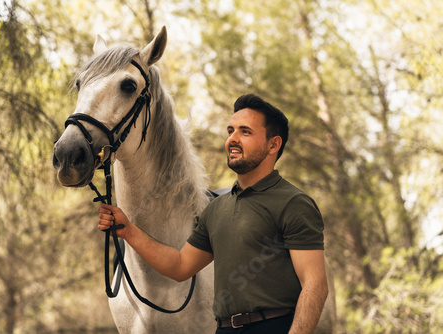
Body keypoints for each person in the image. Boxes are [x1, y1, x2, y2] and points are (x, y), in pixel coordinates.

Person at [98, 94, 328, 333]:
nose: (232, 139)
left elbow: (315, 285)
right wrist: (129, 231)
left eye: (245, 132)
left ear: (273, 144)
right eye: (231, 130)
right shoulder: (216, 208)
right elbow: (180, 266)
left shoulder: (294, 203)